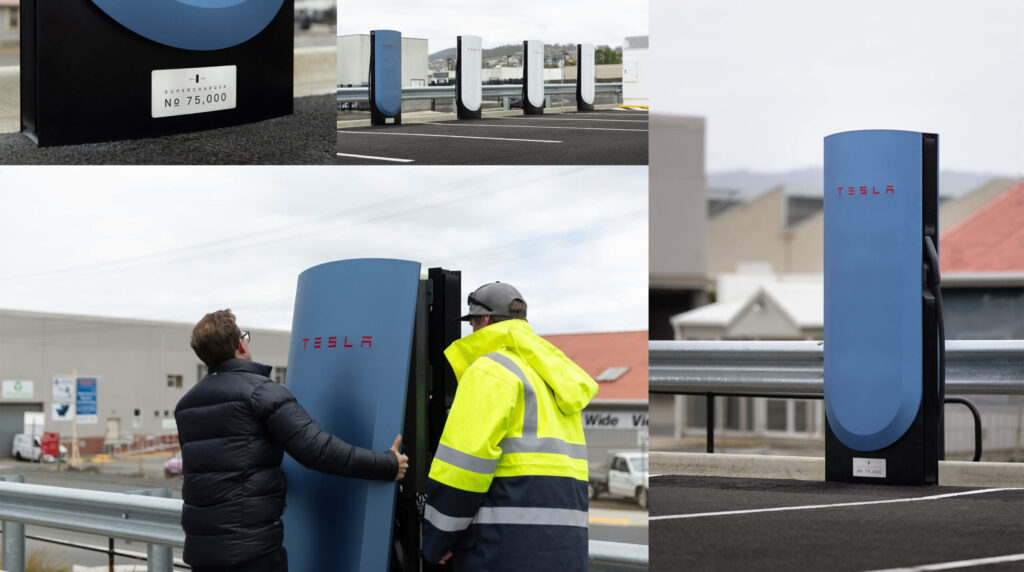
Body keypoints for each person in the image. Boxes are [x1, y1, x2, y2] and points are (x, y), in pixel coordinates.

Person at [174, 309, 408, 572]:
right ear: (240, 344)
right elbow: (318, 450)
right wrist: (387, 464)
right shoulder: (261, 392)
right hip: (252, 553)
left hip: (202, 553)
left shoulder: (186, 405)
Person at [422, 282, 599, 571]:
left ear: (486, 321)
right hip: (566, 553)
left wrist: (436, 541)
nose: (473, 331)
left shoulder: (490, 371)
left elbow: (462, 471)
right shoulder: (556, 378)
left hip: (502, 552)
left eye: (473, 323)